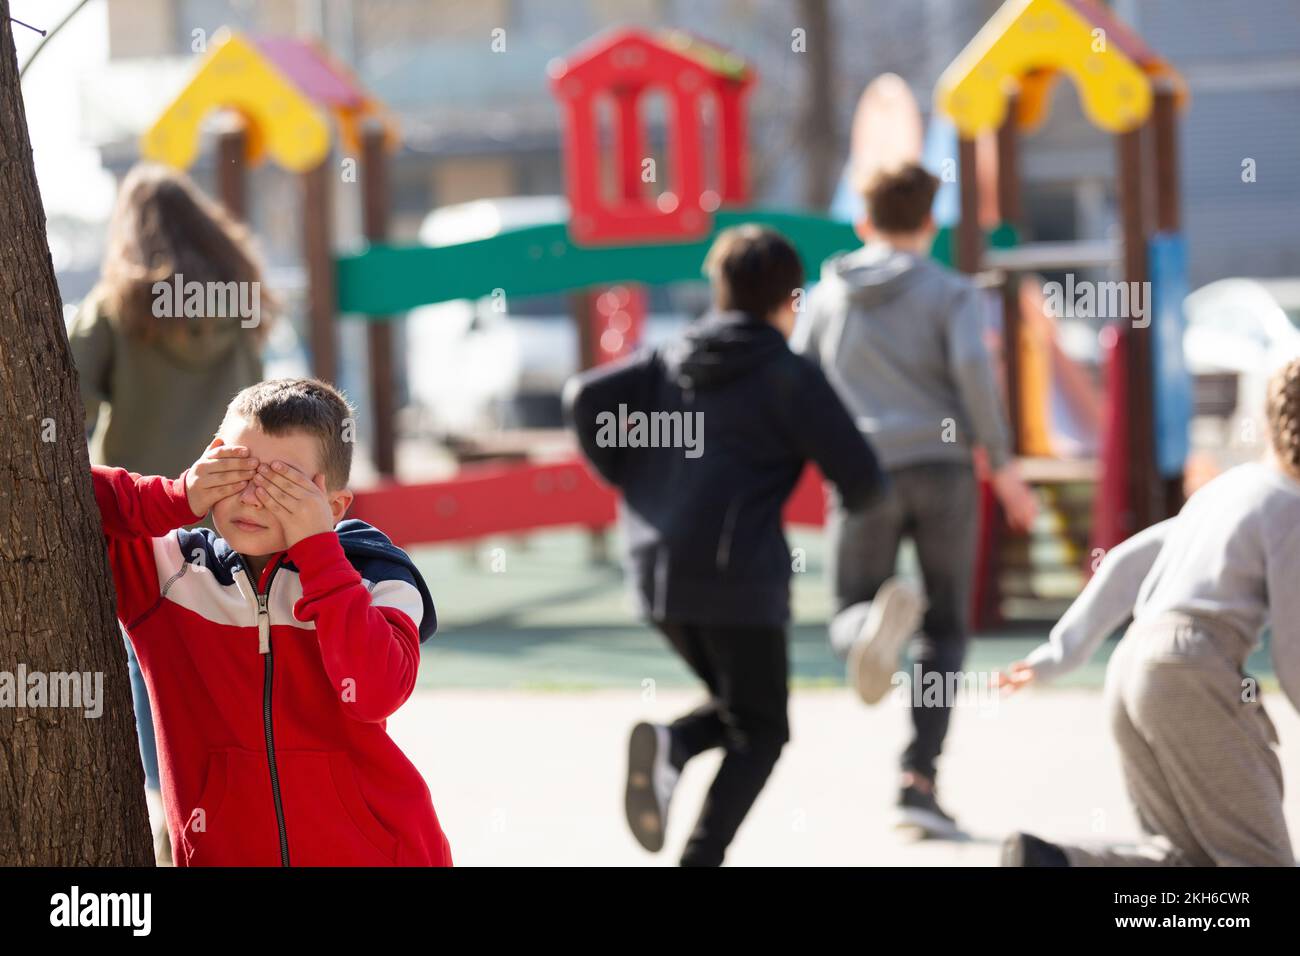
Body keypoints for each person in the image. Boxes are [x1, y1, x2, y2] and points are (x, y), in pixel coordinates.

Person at [565, 226, 886, 866]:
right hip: (736, 580)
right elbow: (865, 482)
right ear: (792, 300)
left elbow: (584, 397)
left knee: (745, 710)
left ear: (720, 289)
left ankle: (674, 745)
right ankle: (696, 845)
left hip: (655, 574)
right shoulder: (788, 375)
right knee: (763, 729)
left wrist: (630, 481)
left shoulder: (668, 357)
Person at [89, 378, 452, 866]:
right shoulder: (168, 573)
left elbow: (375, 691)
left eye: (284, 484)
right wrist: (178, 495)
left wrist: (317, 547)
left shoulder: (374, 575)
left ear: (335, 506)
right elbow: (61, 487)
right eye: (238, 472)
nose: (254, 498)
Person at [792, 161, 1038, 836]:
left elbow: (798, 383)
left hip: (863, 471)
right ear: (931, 223)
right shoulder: (951, 292)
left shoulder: (826, 297)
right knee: (946, 628)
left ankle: (869, 628)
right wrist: (1004, 462)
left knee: (848, 604)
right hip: (945, 466)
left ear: (863, 221)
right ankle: (918, 779)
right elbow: (972, 373)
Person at [999, 358, 1300, 867]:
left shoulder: (1226, 491)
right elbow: (1294, 643)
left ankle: (1054, 863)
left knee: (1185, 859)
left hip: (1132, 664)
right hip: (1191, 667)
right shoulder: (1290, 508)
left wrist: (1058, 654)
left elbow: (1123, 563)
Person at [68, 162, 272, 862]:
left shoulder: (116, 307)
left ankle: (174, 814)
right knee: (230, 664)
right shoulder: (241, 302)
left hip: (142, 526)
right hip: (237, 522)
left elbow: (66, 398)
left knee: (150, 668)